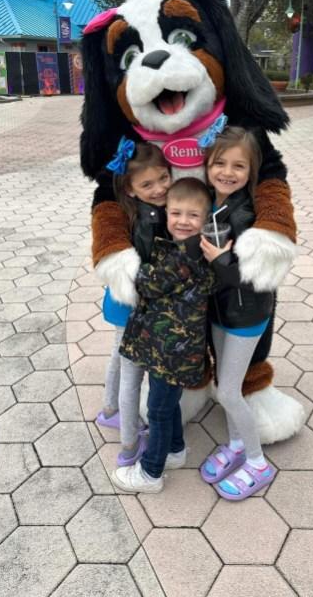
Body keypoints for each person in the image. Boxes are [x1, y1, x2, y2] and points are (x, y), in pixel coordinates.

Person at [111, 178, 215, 493]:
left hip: (171, 352)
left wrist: (127, 265)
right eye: (176, 213)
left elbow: (149, 284)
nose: (183, 221)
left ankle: (150, 473)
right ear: (166, 213)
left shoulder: (186, 254)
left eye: (192, 216)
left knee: (157, 410)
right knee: (166, 406)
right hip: (171, 350)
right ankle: (175, 451)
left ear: (204, 219)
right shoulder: (189, 248)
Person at [199, 126, 276, 500]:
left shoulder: (248, 213)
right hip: (219, 312)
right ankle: (235, 444)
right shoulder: (208, 202)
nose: (228, 172)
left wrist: (222, 260)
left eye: (238, 166)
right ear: (207, 165)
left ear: (251, 170)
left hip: (247, 316)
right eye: (220, 163)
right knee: (222, 384)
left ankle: (258, 463)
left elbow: (258, 276)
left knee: (229, 391)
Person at [95, 140, 172, 464]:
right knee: (132, 376)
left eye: (164, 179)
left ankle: (108, 409)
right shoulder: (147, 219)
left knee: (117, 357)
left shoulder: (132, 211)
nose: (159, 189)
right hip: (134, 310)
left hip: (118, 304)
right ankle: (129, 445)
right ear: (130, 188)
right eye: (147, 184)